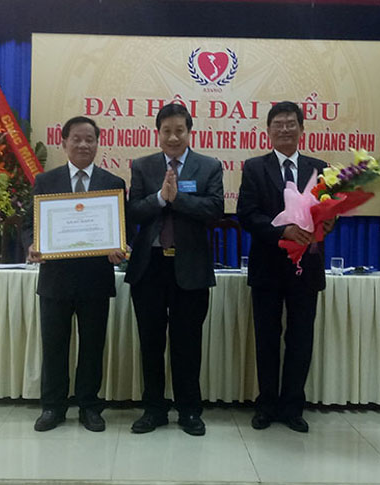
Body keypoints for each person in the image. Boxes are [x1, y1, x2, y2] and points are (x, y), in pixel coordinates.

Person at [22, 116, 127, 433]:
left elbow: (124, 230)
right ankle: (52, 407)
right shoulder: (46, 181)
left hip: (95, 280)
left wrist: (121, 248)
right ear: (64, 142)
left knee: (92, 347)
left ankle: (89, 407)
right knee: (54, 347)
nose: (83, 145)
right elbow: (28, 224)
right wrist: (32, 244)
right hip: (55, 280)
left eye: (89, 139)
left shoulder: (113, 184)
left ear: (97, 143)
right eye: (77, 139)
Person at [126, 103, 224, 436]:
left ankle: (189, 411)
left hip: (190, 268)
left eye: (179, 130)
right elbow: (133, 212)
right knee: (150, 343)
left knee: (187, 344)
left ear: (189, 132)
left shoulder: (209, 166)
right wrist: (158, 197)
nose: (172, 137)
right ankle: (153, 409)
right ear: (158, 133)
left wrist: (176, 198)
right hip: (150, 267)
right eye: (166, 131)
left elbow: (214, 209)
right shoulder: (143, 166)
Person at [237, 101, 333, 433]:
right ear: (268, 131)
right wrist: (283, 232)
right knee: (266, 339)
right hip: (267, 266)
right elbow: (247, 214)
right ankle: (266, 405)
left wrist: (328, 222)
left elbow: (327, 212)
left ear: (302, 129)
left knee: (301, 339)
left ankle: (293, 407)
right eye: (278, 124)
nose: (285, 129)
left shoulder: (319, 168)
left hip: (307, 268)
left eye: (291, 123)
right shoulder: (254, 168)